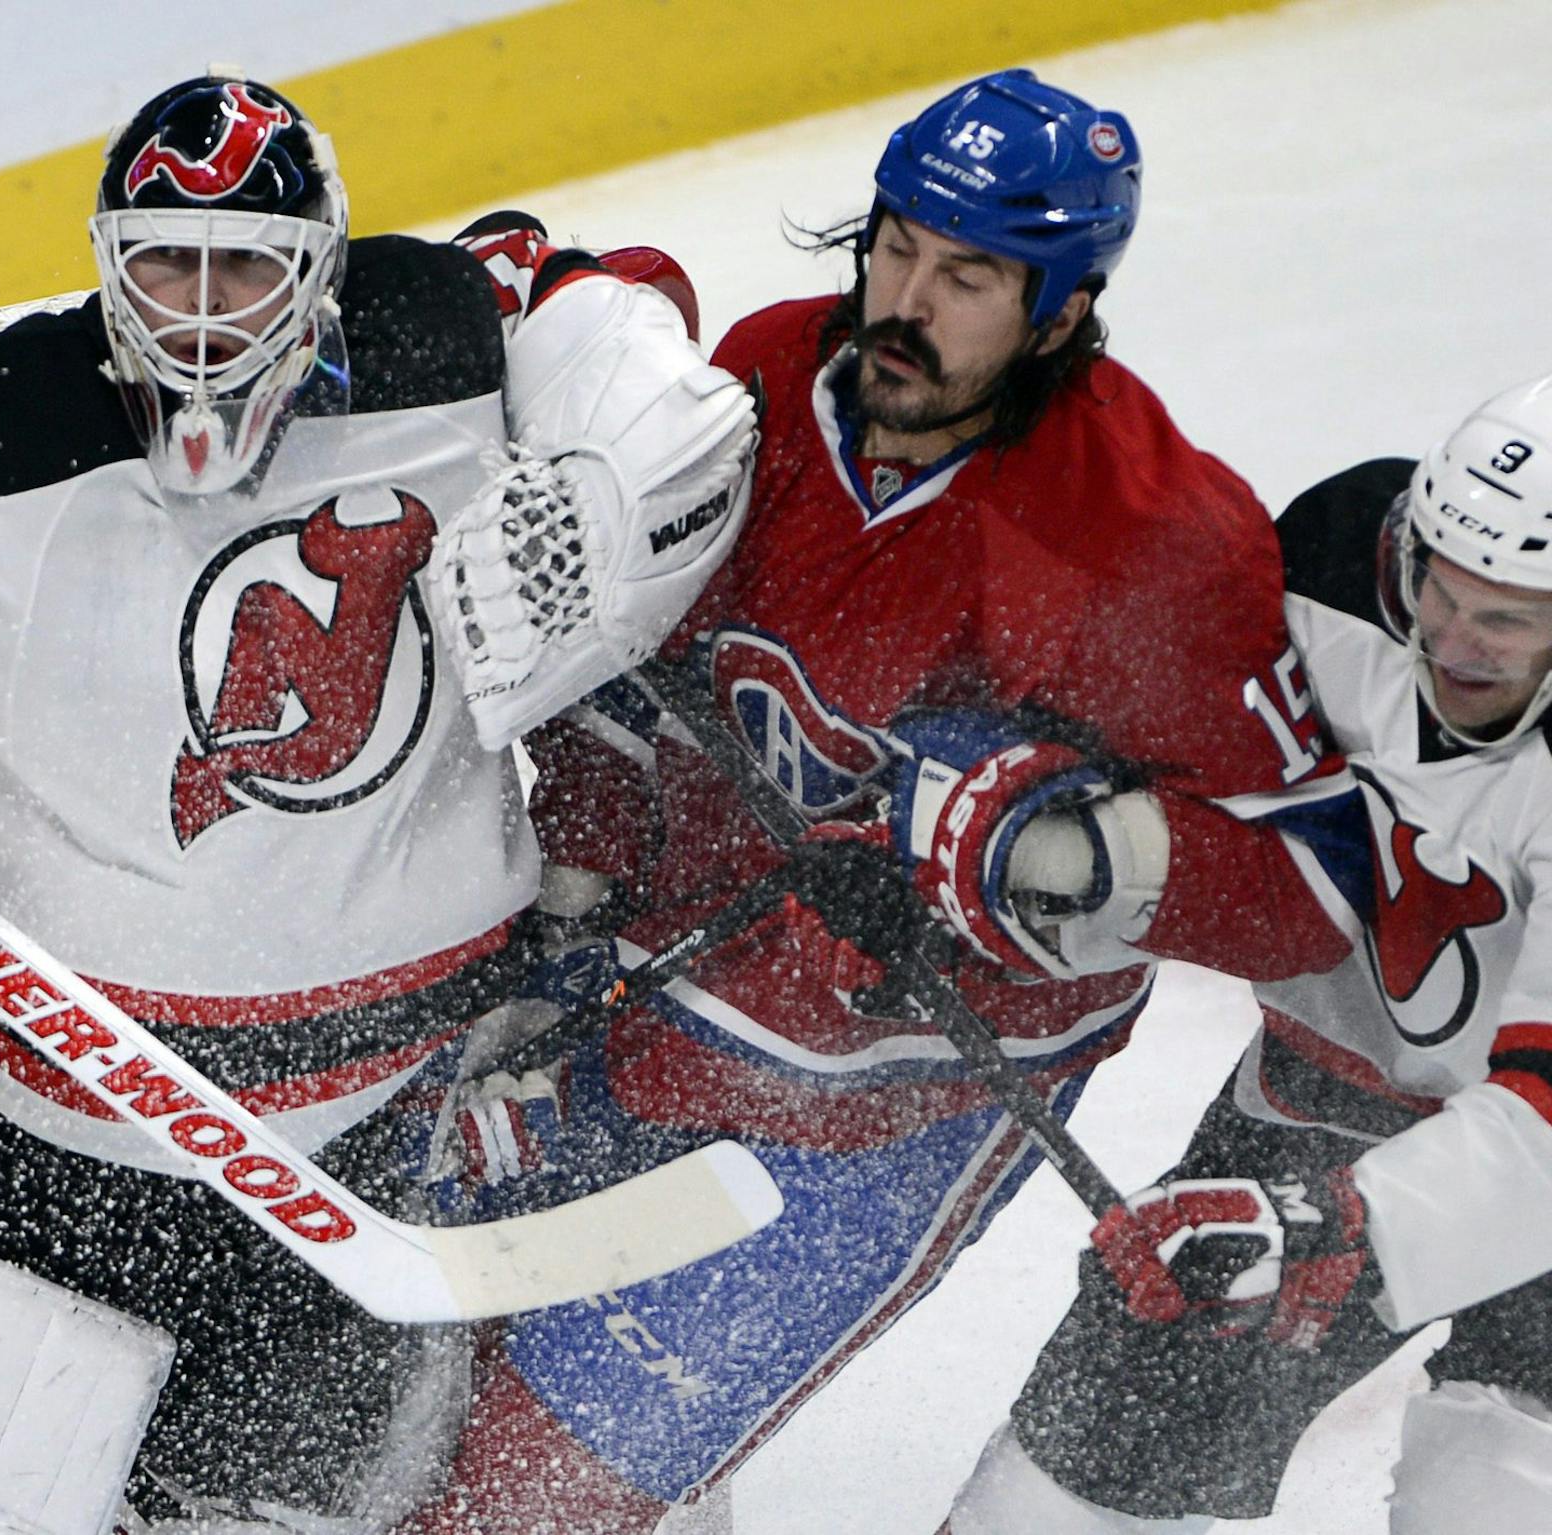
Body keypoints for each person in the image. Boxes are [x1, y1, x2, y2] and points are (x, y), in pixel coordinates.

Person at [0, 72, 756, 1531]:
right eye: (166, 262)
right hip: (4, 1111)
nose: (205, 312)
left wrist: (618, 459)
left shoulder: (441, 335)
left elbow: (592, 294)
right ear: (107, 260)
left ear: (326, 267)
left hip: (380, 1120)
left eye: (249, 265)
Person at [390, 69, 1366, 1533]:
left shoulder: (1153, 541)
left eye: (967, 275)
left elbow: (1309, 887)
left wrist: (1052, 845)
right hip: (651, 990)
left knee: (520, 1503)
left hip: (885, 1105)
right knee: (411, 1382)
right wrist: (572, 901)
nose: (904, 299)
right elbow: (641, 665)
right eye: (897, 244)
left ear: (1064, 308)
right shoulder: (779, 372)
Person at [943, 377, 1552, 1534]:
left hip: (1536, 1161)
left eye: (1507, 620)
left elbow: (1546, 1121)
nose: (1452, 641)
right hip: (1313, 1104)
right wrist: (1040, 816)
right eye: (1439, 587)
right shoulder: (1333, 554)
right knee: (1047, 1504)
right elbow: (1181, 742)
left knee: (1489, 1500)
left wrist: (1346, 1225)